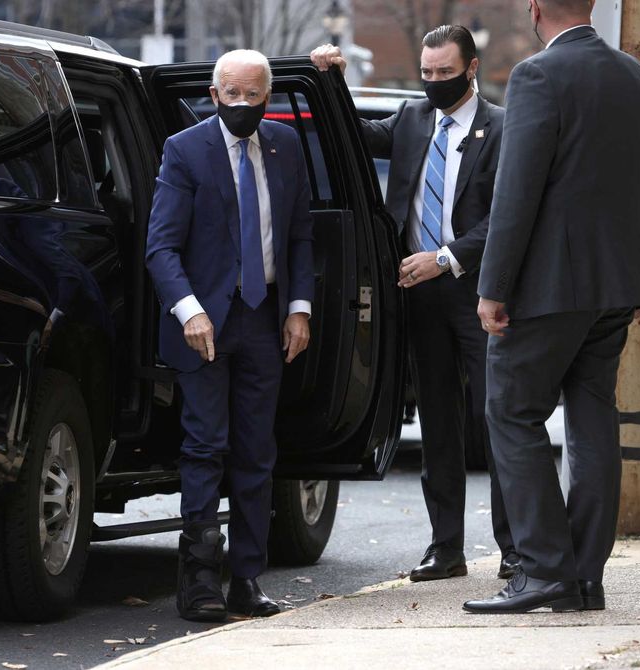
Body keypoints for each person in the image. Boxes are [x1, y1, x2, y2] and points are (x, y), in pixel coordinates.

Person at [465, 0, 640, 613]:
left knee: (512, 412)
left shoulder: (537, 74)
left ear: (534, 8)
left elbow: (517, 188)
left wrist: (492, 287)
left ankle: (545, 570)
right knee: (592, 421)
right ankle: (584, 578)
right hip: (617, 288)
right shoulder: (637, 77)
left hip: (549, 288)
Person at [312, 25, 517, 583]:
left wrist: (446, 258)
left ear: (471, 69)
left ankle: (515, 549)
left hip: (481, 295)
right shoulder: (411, 118)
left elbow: (508, 216)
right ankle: (445, 547)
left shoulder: (503, 128)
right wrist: (331, 83)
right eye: (426, 73)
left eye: (444, 73)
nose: (433, 82)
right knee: (438, 424)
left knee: (498, 422)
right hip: (418, 296)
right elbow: (350, 137)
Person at [145, 49, 313, 621]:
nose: (243, 104)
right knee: (205, 446)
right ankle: (199, 581)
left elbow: (300, 235)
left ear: (268, 96)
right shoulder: (184, 150)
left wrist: (299, 308)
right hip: (206, 324)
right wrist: (189, 312)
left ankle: (246, 579)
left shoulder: (285, 146)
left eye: (253, 95)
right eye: (232, 94)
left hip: (265, 318)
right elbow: (161, 246)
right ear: (214, 95)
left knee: (257, 451)